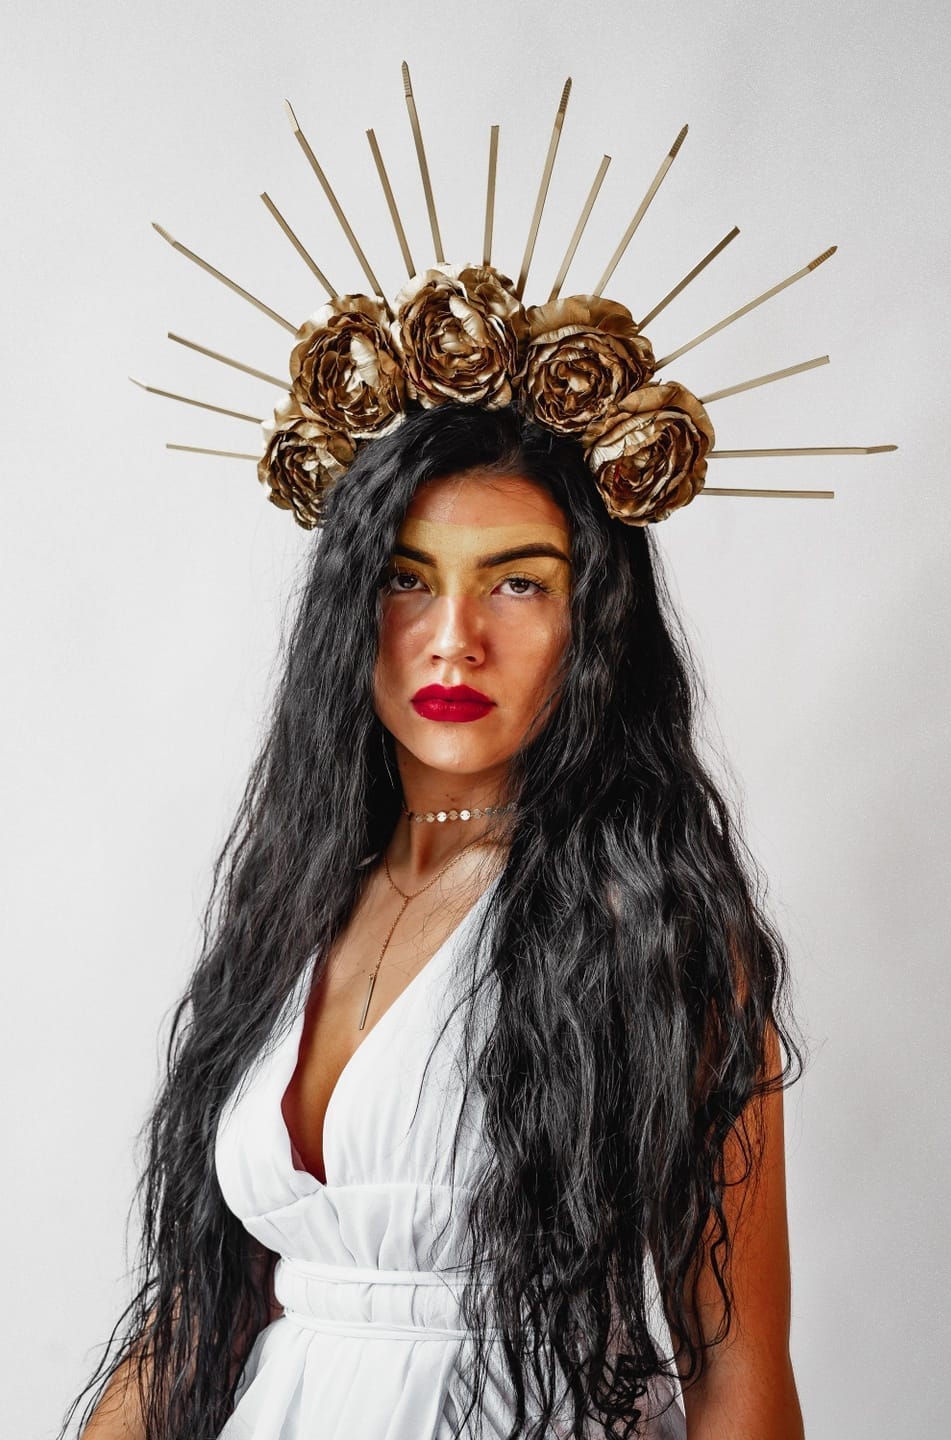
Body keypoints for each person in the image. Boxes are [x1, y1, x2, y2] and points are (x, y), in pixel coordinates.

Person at [65, 401, 804, 1440]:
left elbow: (735, 1361)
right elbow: (201, 1315)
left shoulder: (651, 929)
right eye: (406, 579)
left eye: (518, 583)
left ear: (596, 618)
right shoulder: (296, 906)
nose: (454, 641)